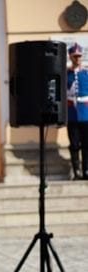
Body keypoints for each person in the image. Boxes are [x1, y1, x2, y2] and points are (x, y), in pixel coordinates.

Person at [67, 43, 88, 180]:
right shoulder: (66, 73)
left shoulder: (86, 72)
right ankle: (77, 172)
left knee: (86, 144)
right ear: (70, 57)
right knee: (74, 144)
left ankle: (86, 170)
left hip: (86, 113)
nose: (78, 58)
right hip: (72, 113)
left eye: (79, 56)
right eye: (75, 56)